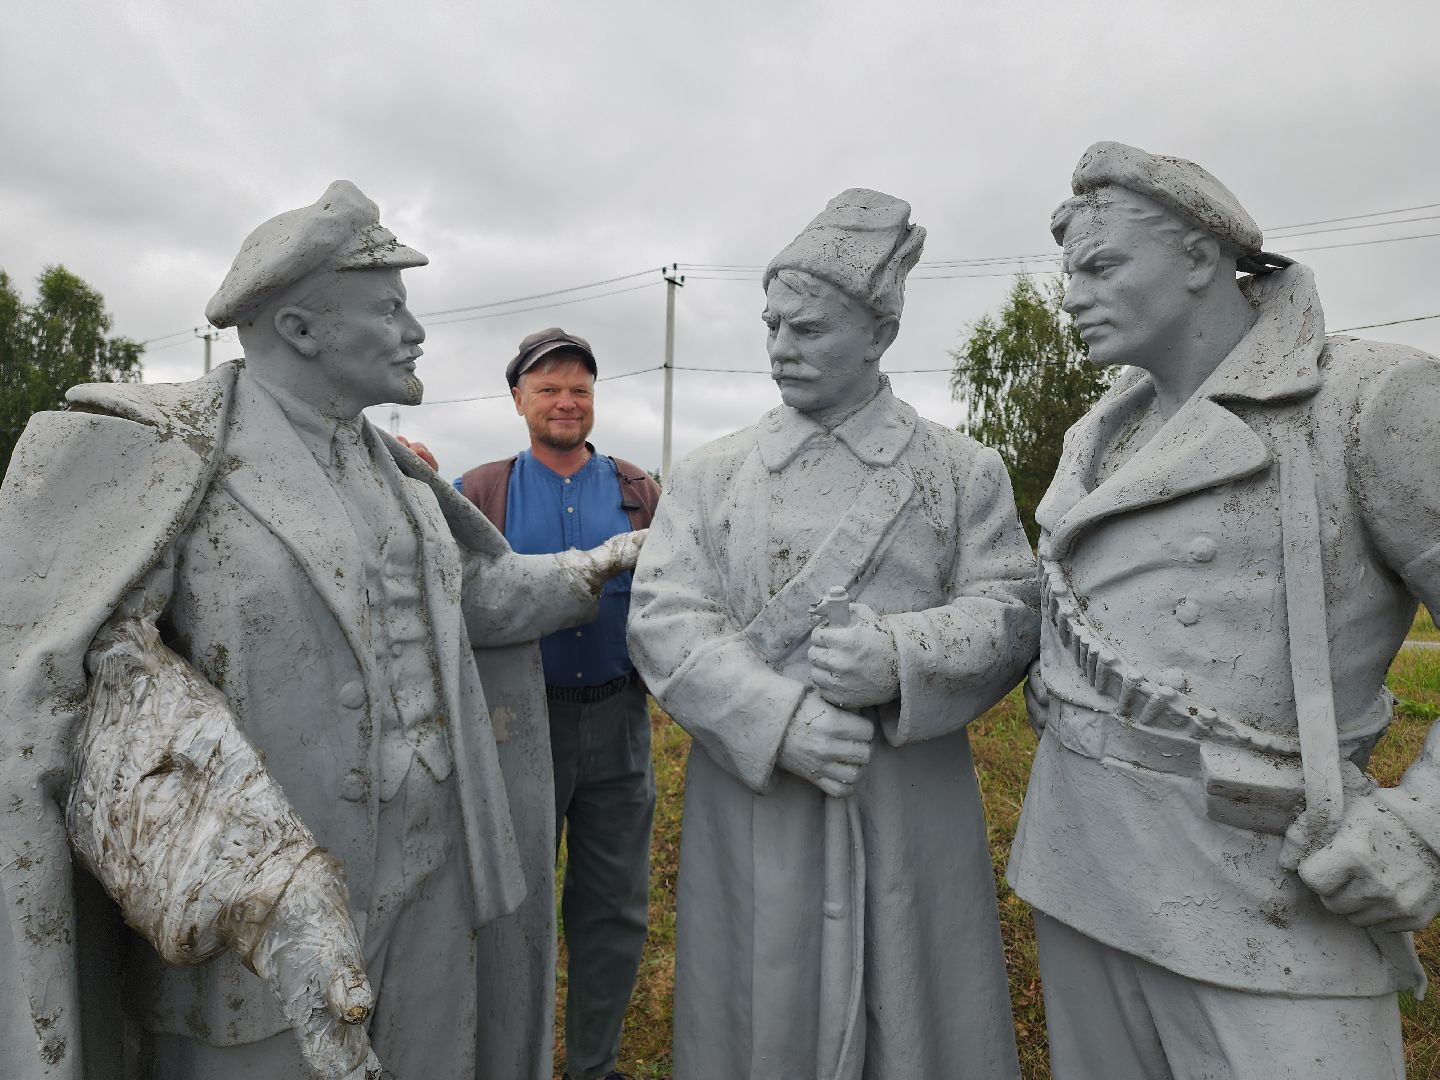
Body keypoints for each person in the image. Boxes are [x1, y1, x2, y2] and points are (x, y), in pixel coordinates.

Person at [0, 181, 644, 1080]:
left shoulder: (399, 476)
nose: (415, 333)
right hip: (254, 935)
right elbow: (103, 677)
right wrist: (257, 882)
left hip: (431, 883)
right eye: (391, 310)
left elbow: (470, 603)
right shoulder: (168, 457)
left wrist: (594, 570)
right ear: (302, 330)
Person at [1008, 141, 1440, 1079]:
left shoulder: (1370, 399)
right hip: (1080, 858)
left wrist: (1422, 825)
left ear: (1201, 257)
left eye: (1104, 266)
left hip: (1269, 887)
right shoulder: (1099, 432)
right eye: (1070, 273)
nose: (1074, 296)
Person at [628, 189, 1039, 1079]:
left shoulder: (962, 473)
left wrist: (902, 657)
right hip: (755, 799)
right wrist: (776, 719)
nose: (779, 349)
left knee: (919, 1014)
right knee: (752, 1016)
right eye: (771, 326)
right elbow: (663, 616)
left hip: (905, 801)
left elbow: (1011, 609)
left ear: (879, 333)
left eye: (806, 330)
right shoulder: (711, 474)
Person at [456, 328, 660, 1080]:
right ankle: (510, 1058)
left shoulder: (639, 493)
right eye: (548, 389)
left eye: (579, 388)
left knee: (612, 909)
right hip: (515, 728)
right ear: (518, 401)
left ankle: (592, 1066)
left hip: (619, 727)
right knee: (511, 907)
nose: (566, 402)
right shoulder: (478, 495)